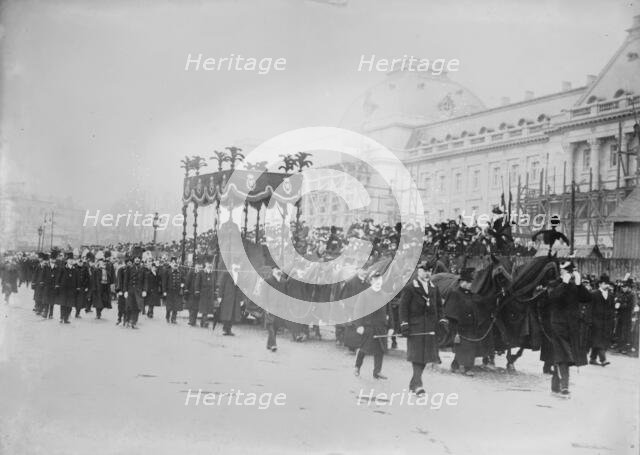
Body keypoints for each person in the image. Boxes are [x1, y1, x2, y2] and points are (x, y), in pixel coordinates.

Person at [545, 260, 591, 396]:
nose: (570, 274)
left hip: (571, 327)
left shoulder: (573, 286)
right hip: (558, 326)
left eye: (571, 272)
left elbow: (587, 298)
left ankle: (555, 385)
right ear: (562, 272)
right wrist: (563, 283)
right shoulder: (554, 284)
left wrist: (579, 284)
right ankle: (564, 385)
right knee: (563, 356)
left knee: (564, 356)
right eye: (567, 271)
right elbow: (552, 297)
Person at [399, 261, 444, 393]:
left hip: (430, 327)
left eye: (429, 271)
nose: (427, 273)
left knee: (425, 356)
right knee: (417, 355)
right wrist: (404, 324)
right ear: (418, 271)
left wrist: (442, 319)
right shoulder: (410, 288)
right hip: (415, 327)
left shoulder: (434, 288)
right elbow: (403, 308)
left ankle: (414, 383)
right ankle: (418, 384)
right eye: (424, 270)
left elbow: (439, 306)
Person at [354, 272, 392, 379]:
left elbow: (390, 313)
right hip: (368, 327)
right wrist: (359, 325)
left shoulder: (385, 295)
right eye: (375, 280)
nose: (377, 283)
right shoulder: (364, 294)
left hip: (381, 327)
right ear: (371, 281)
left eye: (379, 280)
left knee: (380, 350)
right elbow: (358, 311)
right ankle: (357, 367)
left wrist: (392, 327)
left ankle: (377, 371)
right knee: (364, 349)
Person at [444, 267, 477, 376]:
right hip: (458, 325)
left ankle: (458, 366)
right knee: (462, 346)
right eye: (468, 282)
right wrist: (456, 328)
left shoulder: (470, 294)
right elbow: (450, 311)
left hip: (470, 325)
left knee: (470, 346)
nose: (470, 285)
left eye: (471, 283)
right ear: (462, 282)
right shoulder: (455, 293)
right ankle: (465, 368)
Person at [589, 274, 615, 366]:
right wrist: (591, 321)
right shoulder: (594, 294)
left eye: (607, 283)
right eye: (604, 283)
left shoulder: (611, 296)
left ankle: (592, 358)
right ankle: (603, 359)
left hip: (606, 322)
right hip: (596, 321)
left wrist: (612, 321)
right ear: (600, 284)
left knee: (599, 340)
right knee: (599, 340)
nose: (606, 285)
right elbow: (590, 308)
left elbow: (612, 309)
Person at [262, 265, 286, 351]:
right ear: (273, 270)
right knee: (270, 325)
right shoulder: (268, 281)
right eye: (276, 269)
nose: (278, 271)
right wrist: (266, 306)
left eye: (280, 269)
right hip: (270, 306)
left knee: (275, 326)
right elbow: (264, 295)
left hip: (280, 308)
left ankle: (269, 344)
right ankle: (273, 345)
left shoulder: (283, 281)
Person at [217, 261, 244, 336]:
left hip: (236, 298)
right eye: (235, 265)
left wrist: (241, 299)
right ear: (232, 266)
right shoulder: (227, 274)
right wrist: (219, 296)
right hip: (227, 297)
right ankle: (225, 329)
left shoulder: (239, 275)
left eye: (238, 265)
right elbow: (221, 285)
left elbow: (241, 288)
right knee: (226, 313)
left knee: (233, 314)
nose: (236, 267)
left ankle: (229, 329)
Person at [615, 278, 637, 354]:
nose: (623, 288)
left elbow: (632, 305)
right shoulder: (621, 293)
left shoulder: (632, 294)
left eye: (625, 287)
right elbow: (618, 300)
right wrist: (617, 303)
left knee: (626, 332)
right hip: (620, 315)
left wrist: (620, 305)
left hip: (628, 316)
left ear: (628, 287)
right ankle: (620, 346)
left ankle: (626, 348)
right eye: (622, 287)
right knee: (620, 331)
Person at [56, 252, 78, 324]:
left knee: (70, 305)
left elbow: (77, 280)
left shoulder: (75, 270)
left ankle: (66, 318)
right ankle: (61, 317)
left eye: (72, 259)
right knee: (63, 304)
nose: (71, 261)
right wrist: (58, 285)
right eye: (69, 259)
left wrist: (77, 287)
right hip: (63, 289)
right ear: (67, 260)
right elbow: (58, 277)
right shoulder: (63, 268)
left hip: (72, 290)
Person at [194, 257, 216, 328]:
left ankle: (203, 322)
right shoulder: (201, 272)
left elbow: (214, 284)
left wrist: (214, 292)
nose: (209, 265)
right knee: (204, 309)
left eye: (210, 264)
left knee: (208, 309)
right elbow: (197, 282)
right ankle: (204, 322)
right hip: (203, 293)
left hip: (210, 294)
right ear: (205, 264)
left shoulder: (213, 273)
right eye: (208, 264)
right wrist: (197, 290)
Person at [124, 256, 145, 329]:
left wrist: (144, 290)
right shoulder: (129, 268)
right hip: (130, 290)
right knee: (129, 306)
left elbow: (145, 281)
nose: (137, 259)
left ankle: (134, 322)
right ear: (134, 260)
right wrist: (125, 291)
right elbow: (125, 280)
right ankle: (127, 321)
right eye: (136, 258)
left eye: (138, 258)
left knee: (137, 307)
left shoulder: (142, 269)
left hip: (139, 291)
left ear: (140, 260)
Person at [162, 257, 184, 324]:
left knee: (176, 306)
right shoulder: (167, 271)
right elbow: (164, 282)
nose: (175, 264)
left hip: (177, 292)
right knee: (169, 305)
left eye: (176, 263)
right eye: (173, 263)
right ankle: (167, 317)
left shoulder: (180, 271)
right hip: (169, 291)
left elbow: (183, 280)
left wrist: (182, 285)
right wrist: (164, 291)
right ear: (171, 263)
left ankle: (174, 318)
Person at [115, 256, 130, 325]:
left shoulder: (132, 270)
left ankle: (126, 319)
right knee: (121, 306)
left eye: (130, 262)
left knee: (128, 306)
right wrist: (119, 290)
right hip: (122, 290)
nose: (129, 264)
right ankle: (119, 318)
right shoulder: (121, 270)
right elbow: (119, 280)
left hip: (129, 291)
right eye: (128, 263)